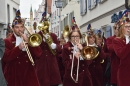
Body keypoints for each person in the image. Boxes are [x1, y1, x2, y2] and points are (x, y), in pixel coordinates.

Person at [2, 10, 42, 86]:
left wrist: (29, 42)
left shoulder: (29, 38)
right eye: (17, 27)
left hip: (29, 74)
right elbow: (6, 57)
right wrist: (18, 48)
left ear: (24, 28)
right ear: (13, 28)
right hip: (13, 75)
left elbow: (39, 54)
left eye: (21, 27)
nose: (19, 29)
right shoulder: (6, 41)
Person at [62, 22, 93, 86]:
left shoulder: (84, 46)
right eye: (73, 36)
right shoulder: (66, 48)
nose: (75, 38)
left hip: (85, 78)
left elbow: (89, 62)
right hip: (71, 79)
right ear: (70, 38)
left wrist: (83, 50)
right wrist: (75, 58)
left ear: (80, 37)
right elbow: (66, 65)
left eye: (77, 36)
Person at [35, 12, 62, 86]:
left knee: (54, 83)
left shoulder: (53, 35)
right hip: (41, 67)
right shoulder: (37, 36)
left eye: (46, 25)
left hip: (52, 66)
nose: (44, 28)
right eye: (43, 25)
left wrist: (55, 46)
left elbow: (60, 49)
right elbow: (34, 51)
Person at [112, 11, 130, 86]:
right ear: (122, 28)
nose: (129, 28)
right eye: (127, 26)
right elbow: (121, 54)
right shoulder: (117, 40)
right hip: (124, 74)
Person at [106, 20, 120, 86]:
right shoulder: (110, 39)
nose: (118, 30)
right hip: (115, 66)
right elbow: (111, 49)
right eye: (117, 28)